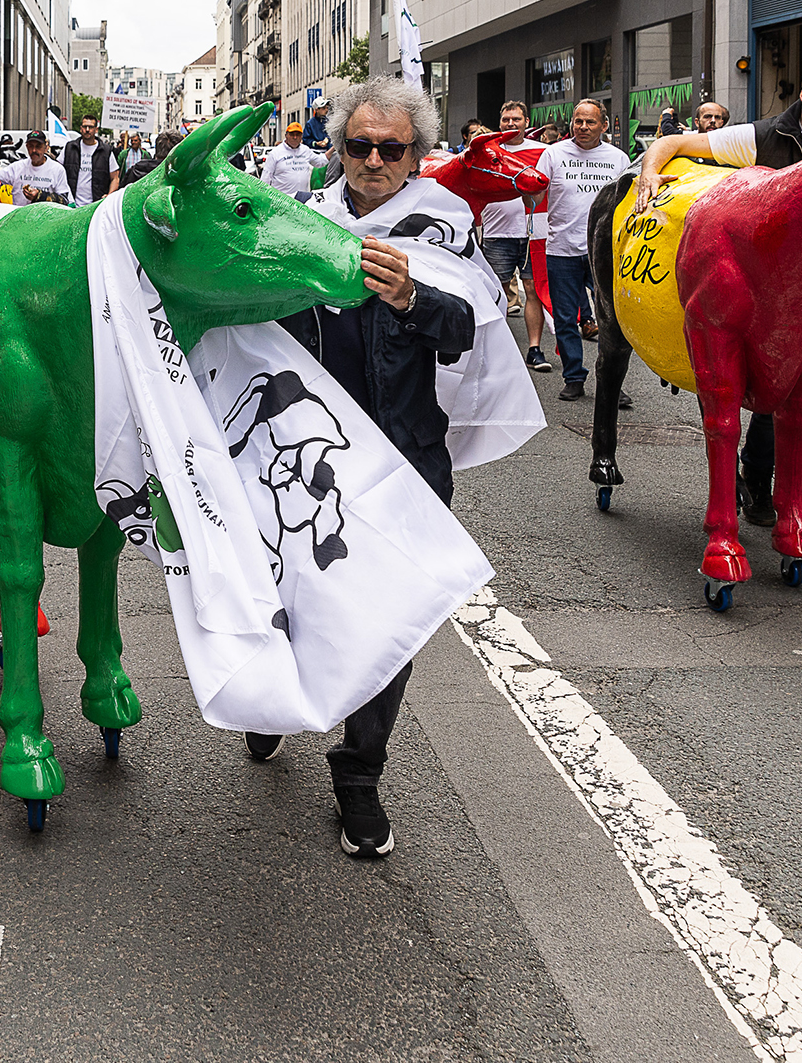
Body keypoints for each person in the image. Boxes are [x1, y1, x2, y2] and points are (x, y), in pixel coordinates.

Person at [266, 76, 476, 860]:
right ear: (339, 151)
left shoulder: (442, 224)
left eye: (392, 148)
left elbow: (463, 332)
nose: (374, 160)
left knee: (394, 618)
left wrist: (412, 296)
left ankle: (359, 771)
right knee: (291, 595)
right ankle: (276, 699)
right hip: (304, 456)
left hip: (404, 457)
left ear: (417, 156)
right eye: (360, 145)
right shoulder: (299, 223)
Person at [633, 54, 802, 578]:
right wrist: (648, 174)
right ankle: (756, 480)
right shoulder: (764, 138)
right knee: (776, 403)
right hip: (788, 311)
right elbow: (671, 143)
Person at [539, 99, 633, 402]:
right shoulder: (553, 154)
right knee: (566, 318)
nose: (582, 127)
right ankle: (574, 377)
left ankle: (611, 383)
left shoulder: (618, 159)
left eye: (590, 122)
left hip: (605, 251)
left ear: (603, 126)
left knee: (612, 319)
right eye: (578, 121)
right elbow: (534, 194)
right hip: (561, 249)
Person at [477, 101, 552, 373]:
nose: (511, 124)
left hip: (535, 232)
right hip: (497, 232)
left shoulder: (544, 151)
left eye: (516, 119)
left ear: (526, 121)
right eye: (506, 119)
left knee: (533, 290)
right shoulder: (488, 150)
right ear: (499, 122)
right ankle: (497, 350)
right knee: (495, 291)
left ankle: (534, 350)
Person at [0, 130, 71, 205]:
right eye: (31, 146)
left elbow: (64, 200)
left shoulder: (57, 169)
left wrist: (39, 195)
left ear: (46, 148)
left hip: (45, 216)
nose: (34, 150)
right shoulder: (16, 167)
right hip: (21, 215)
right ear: (26, 147)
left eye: (38, 146)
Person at [61, 114, 115, 202]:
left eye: (90, 127)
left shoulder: (105, 151)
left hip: (96, 205)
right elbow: (57, 171)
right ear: (80, 128)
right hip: (72, 205)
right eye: (84, 126)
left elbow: (115, 178)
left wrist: (109, 196)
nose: (87, 130)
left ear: (96, 129)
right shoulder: (70, 148)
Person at [259, 121, 320, 195]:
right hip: (282, 201)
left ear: (301, 136)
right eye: (292, 134)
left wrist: (334, 148)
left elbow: (321, 161)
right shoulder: (275, 153)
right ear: (286, 135)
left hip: (302, 201)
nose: (295, 137)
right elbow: (265, 180)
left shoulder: (306, 150)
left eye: (298, 135)